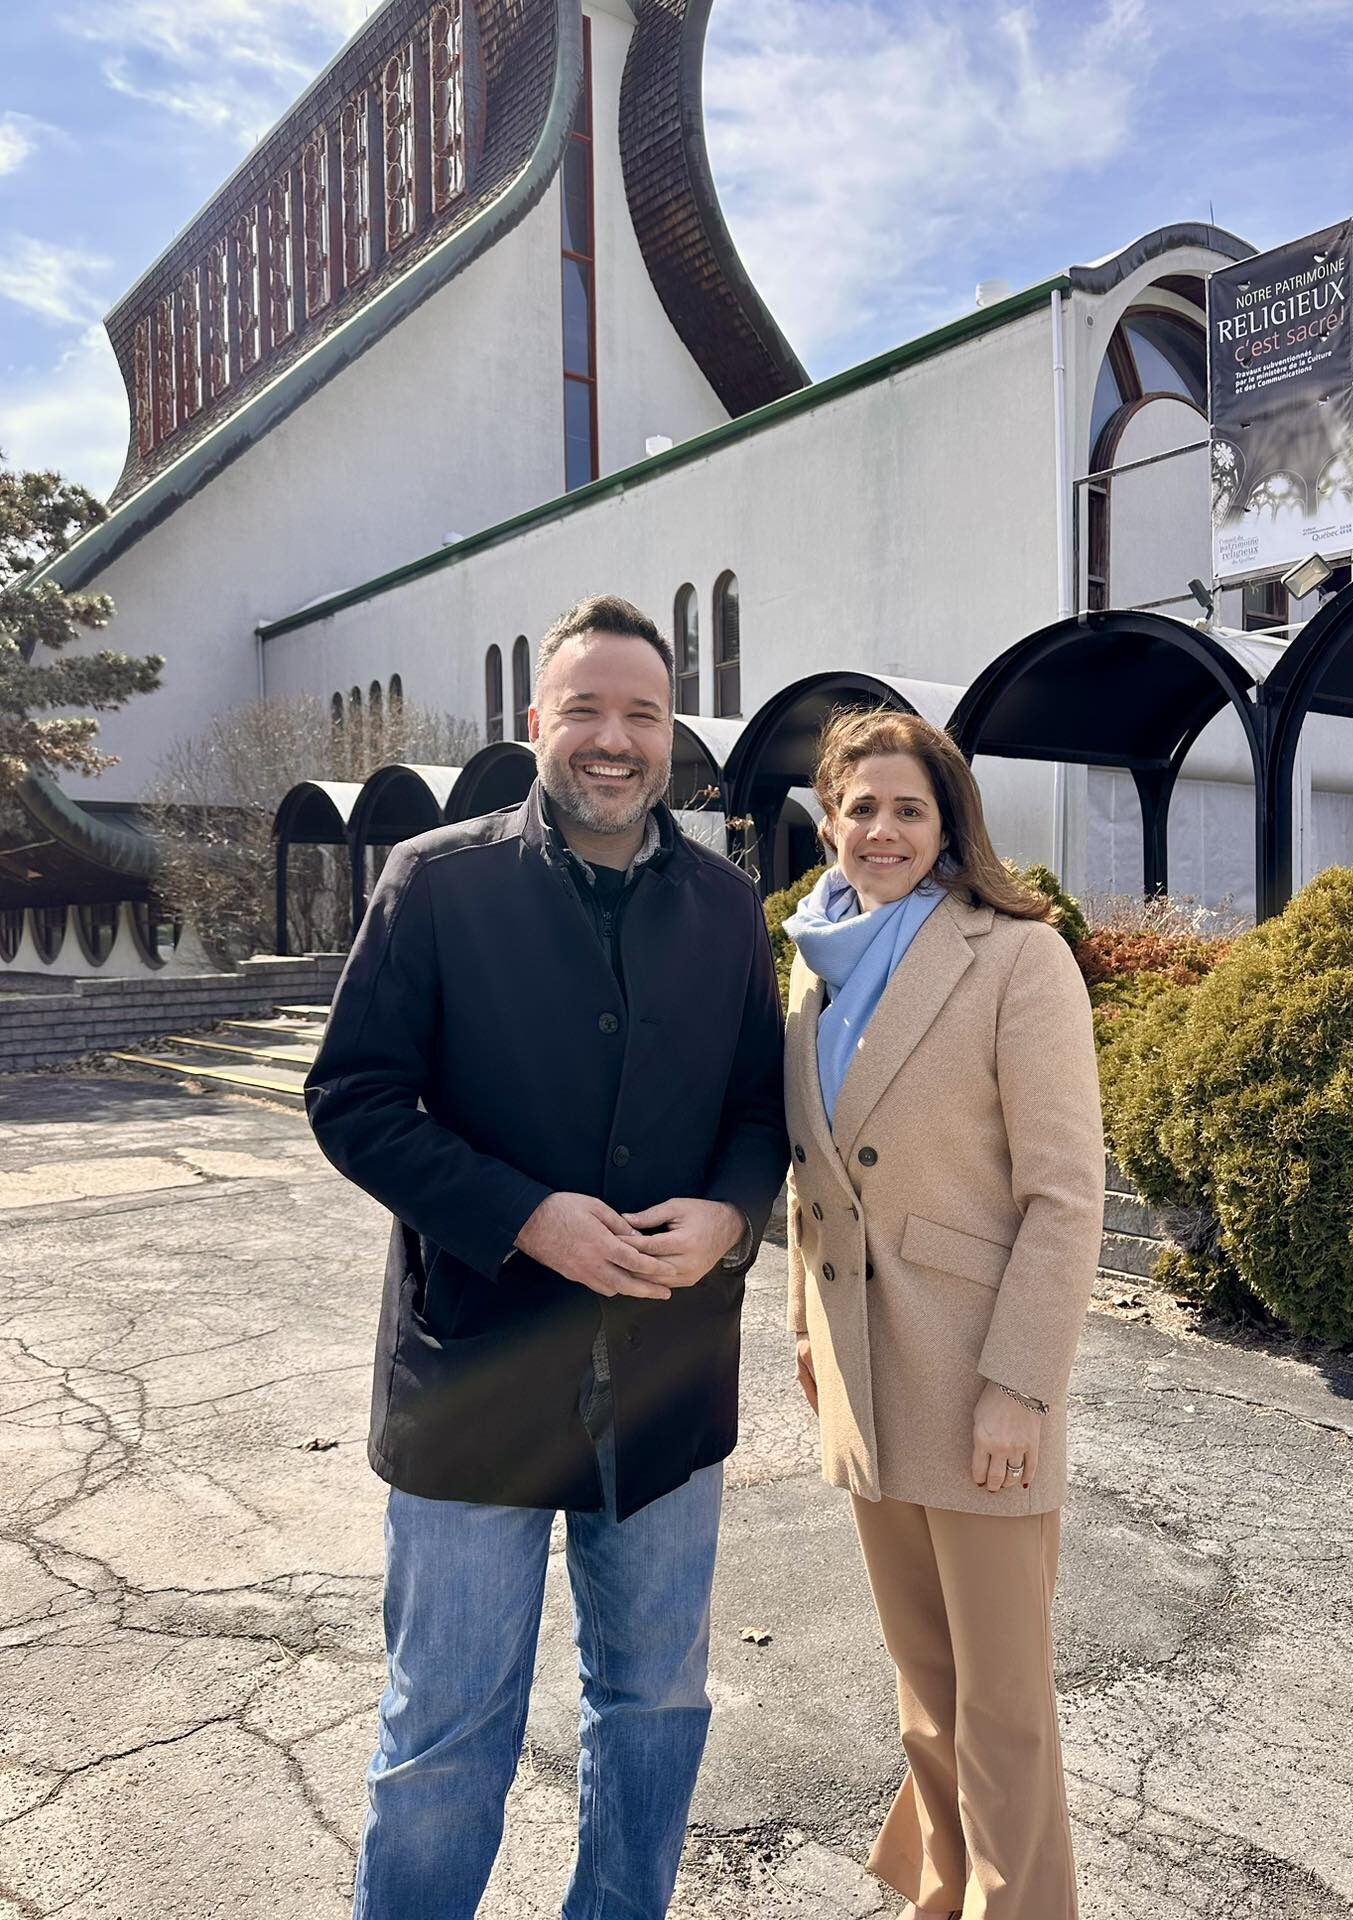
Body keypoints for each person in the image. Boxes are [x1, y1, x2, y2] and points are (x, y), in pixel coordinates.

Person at [305, 594, 787, 1920]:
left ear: (671, 734)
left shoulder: (730, 909)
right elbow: (352, 1099)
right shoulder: (437, 882)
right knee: (447, 1736)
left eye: (641, 713)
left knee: (652, 1709)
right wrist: (523, 1214)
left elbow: (760, 1112)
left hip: (667, 1377)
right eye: (587, 710)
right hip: (477, 1381)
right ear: (538, 726)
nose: (615, 740)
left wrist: (732, 1221)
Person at [782, 708, 1104, 1920]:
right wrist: (803, 1332)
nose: (883, 829)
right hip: (864, 1376)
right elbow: (811, 1174)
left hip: (979, 1384)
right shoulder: (810, 959)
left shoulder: (1019, 956)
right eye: (861, 807)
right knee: (926, 1687)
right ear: (829, 821)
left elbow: (1066, 1196)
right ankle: (945, 1892)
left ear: (949, 822)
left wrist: (1020, 1386)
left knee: (1003, 1709)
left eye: (909, 808)